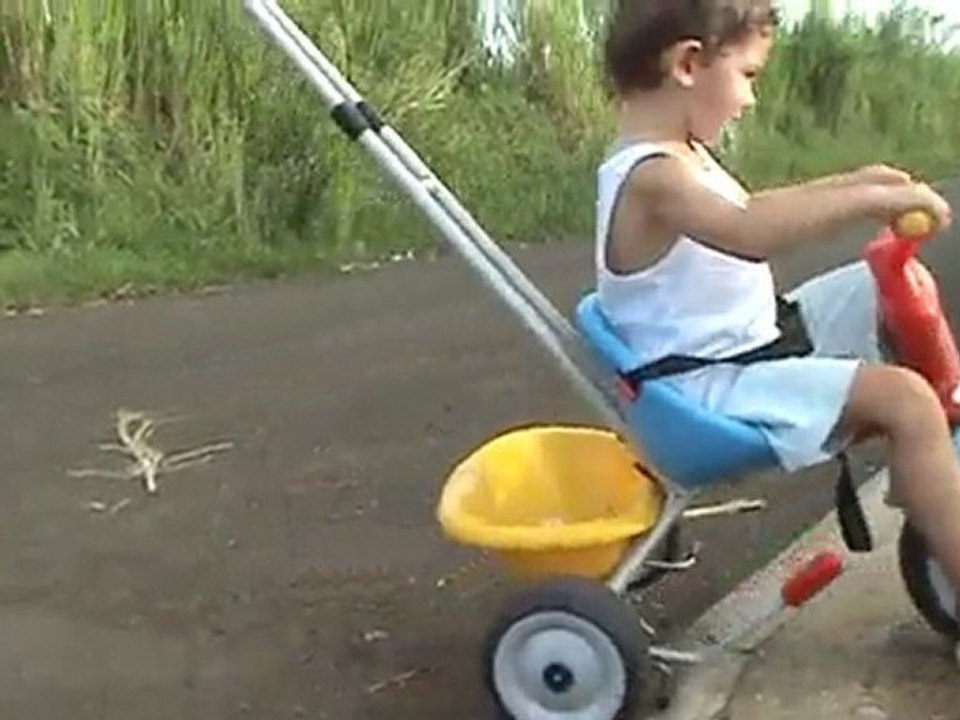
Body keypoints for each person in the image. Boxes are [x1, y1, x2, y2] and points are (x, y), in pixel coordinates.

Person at [595, 0, 960, 622]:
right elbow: (749, 228)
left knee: (886, 284)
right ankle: (934, 472)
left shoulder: (680, 154)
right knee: (904, 400)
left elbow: (758, 202)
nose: (750, 100)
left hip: (746, 347)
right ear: (688, 63)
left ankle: (932, 465)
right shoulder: (652, 176)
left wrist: (858, 179)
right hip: (708, 388)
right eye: (749, 77)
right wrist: (870, 199)